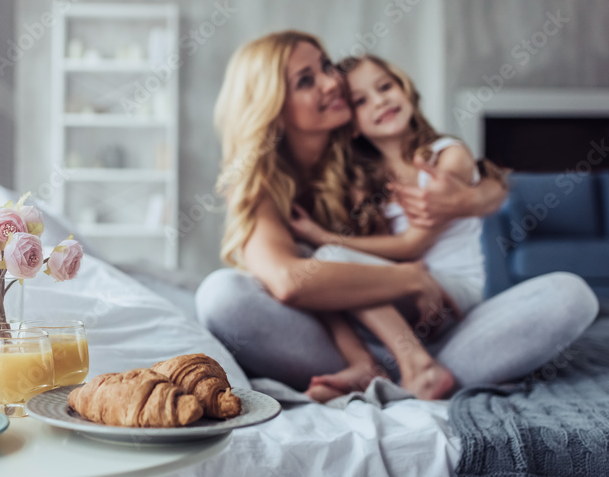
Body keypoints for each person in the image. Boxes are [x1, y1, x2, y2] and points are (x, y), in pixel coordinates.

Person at [196, 30, 599, 395]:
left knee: (571, 295)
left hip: (443, 328)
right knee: (221, 296)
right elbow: (290, 282)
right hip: (341, 344)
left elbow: (484, 177)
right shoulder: (261, 186)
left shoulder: (365, 150)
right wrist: (405, 278)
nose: (332, 81)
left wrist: (470, 200)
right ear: (274, 108)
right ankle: (386, 373)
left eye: (325, 66)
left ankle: (400, 379)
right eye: (307, 80)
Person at [289, 54, 505, 401]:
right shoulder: (370, 182)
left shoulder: (447, 156)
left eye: (385, 86)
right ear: (353, 125)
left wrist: (322, 236)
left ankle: (418, 366)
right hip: (409, 291)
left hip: (455, 291)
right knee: (313, 268)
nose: (381, 101)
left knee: (330, 258)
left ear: (404, 89)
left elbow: (412, 246)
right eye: (361, 100)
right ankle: (364, 364)